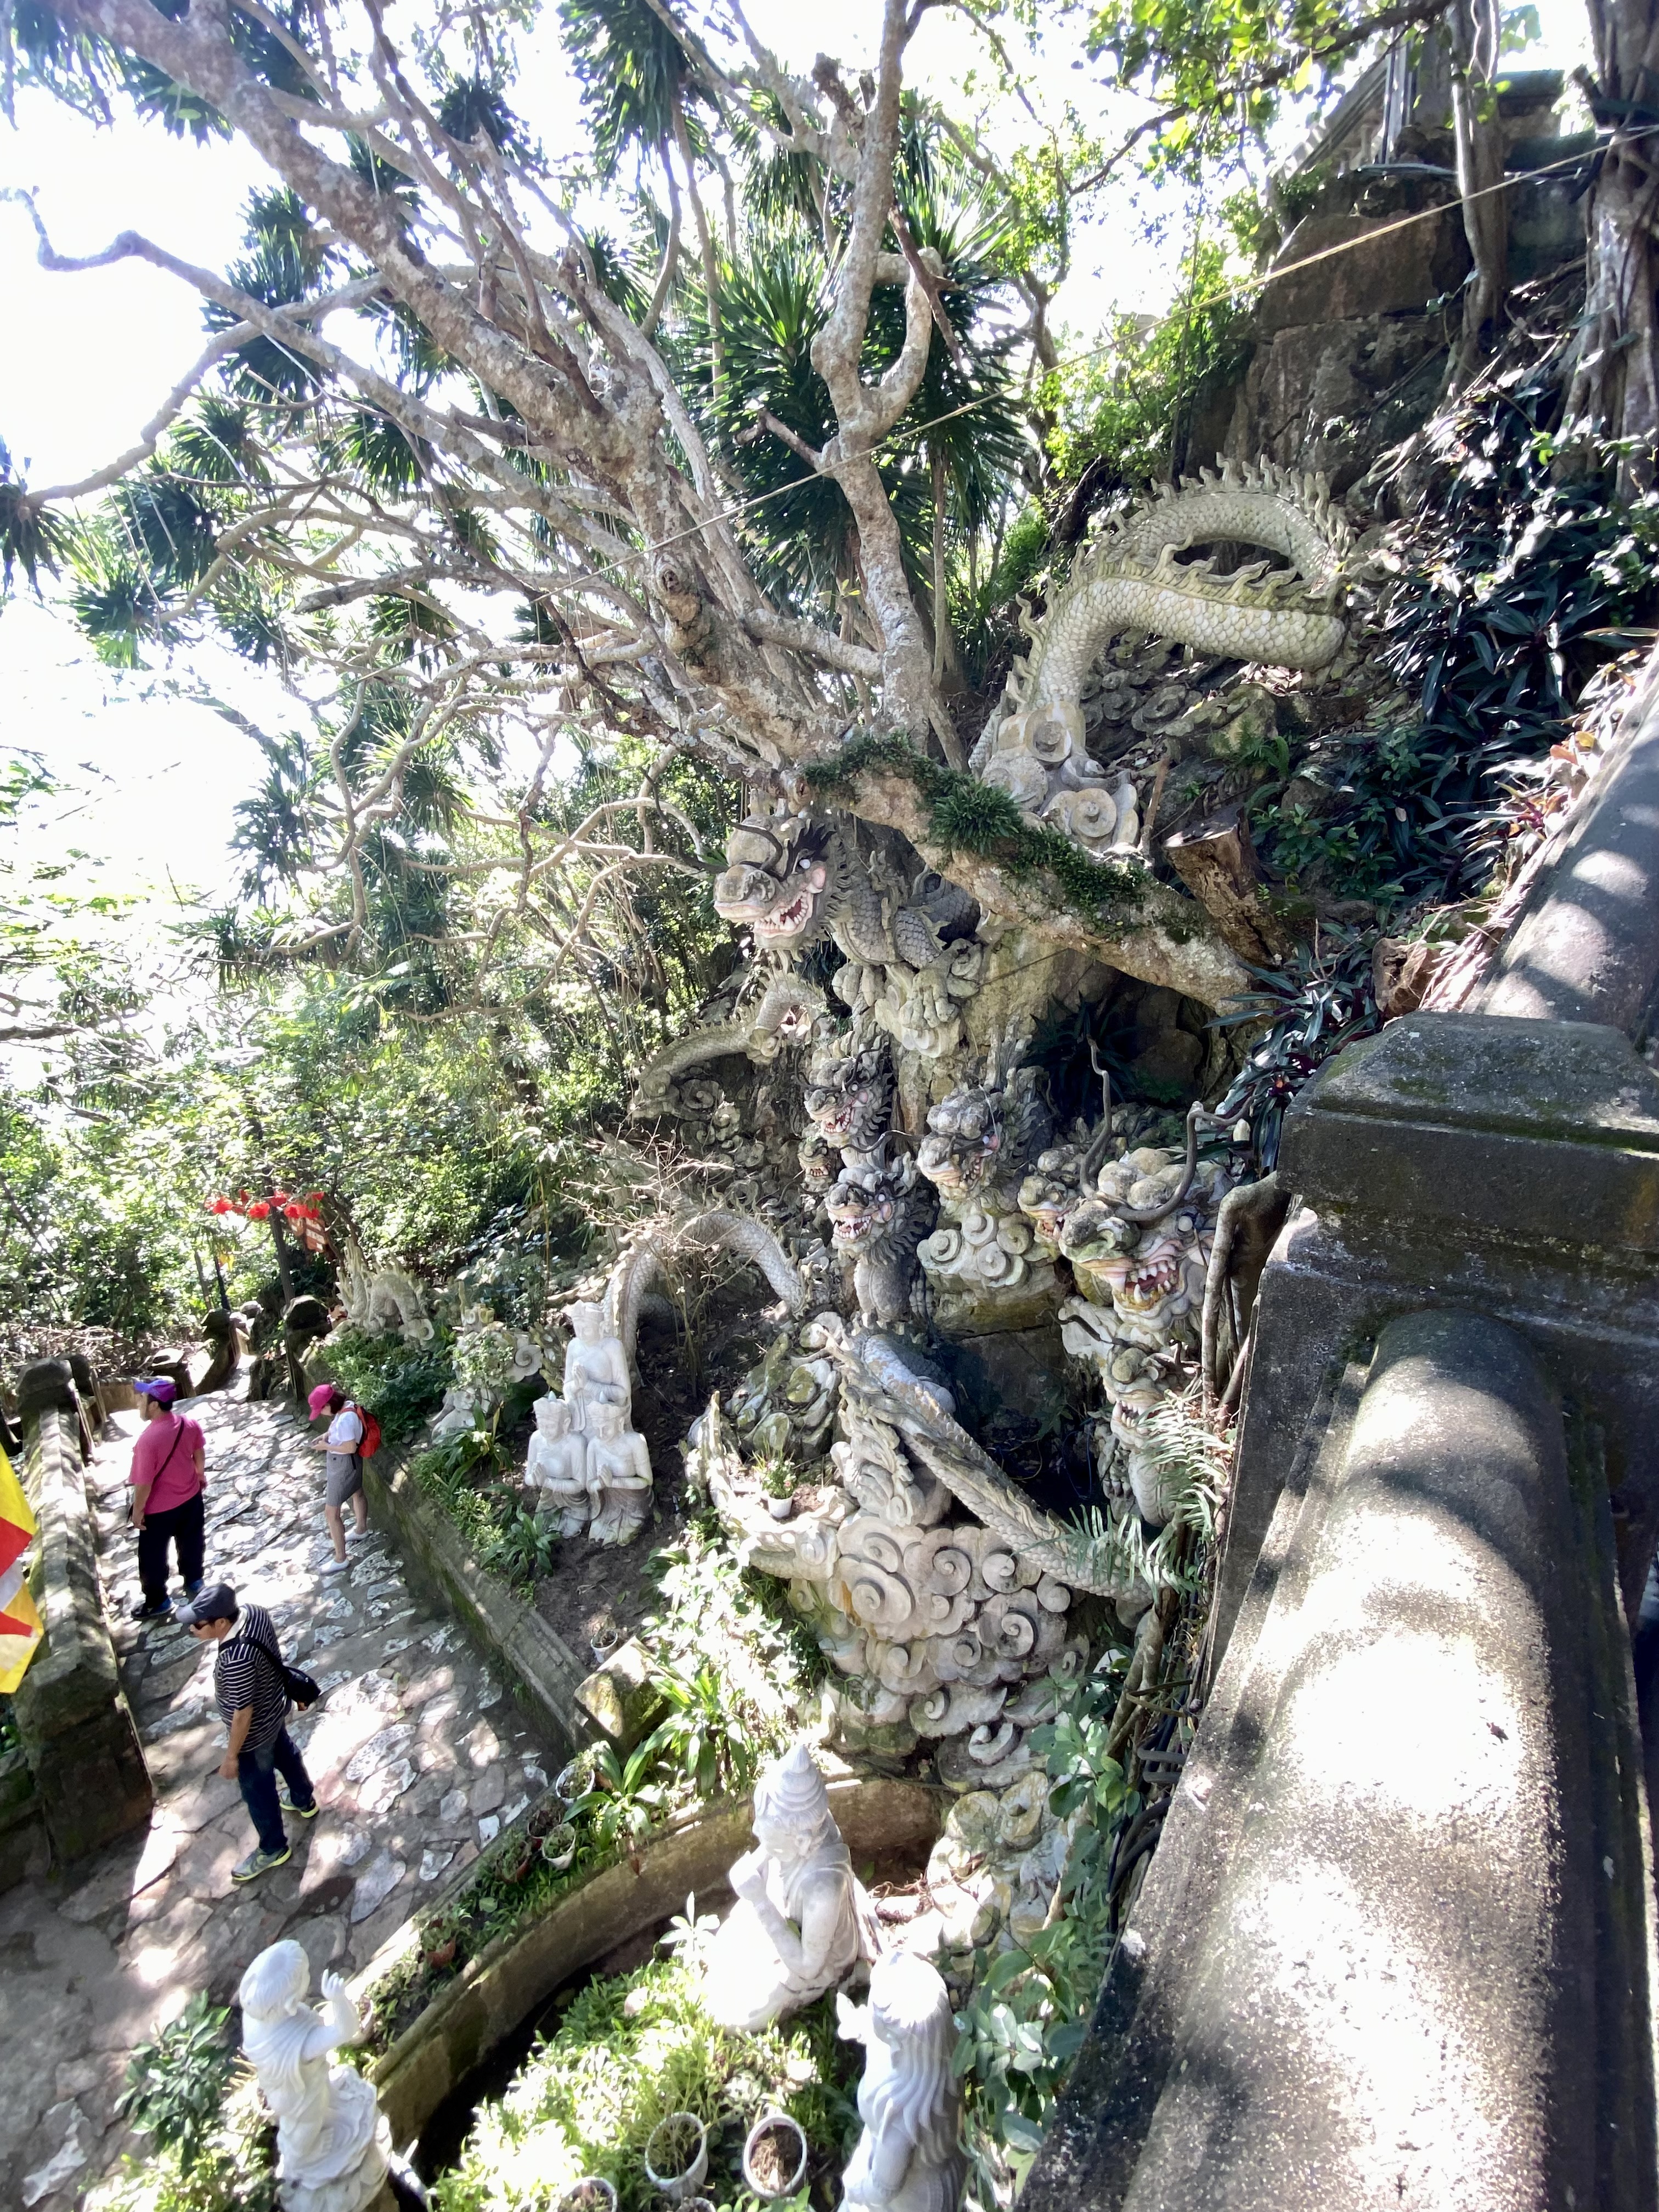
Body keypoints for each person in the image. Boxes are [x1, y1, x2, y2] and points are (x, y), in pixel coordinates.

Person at [178, 1582, 318, 1880]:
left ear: (221, 1623)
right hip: (274, 1711)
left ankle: (273, 1848)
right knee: (287, 1753)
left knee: (258, 1790)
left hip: (253, 1736)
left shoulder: (236, 1657)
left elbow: (243, 1714)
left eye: (197, 1625)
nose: (192, 1630)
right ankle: (303, 1798)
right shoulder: (255, 1613)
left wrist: (231, 1756)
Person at [127, 1377, 207, 1622]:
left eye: (142, 1398)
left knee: (153, 1557)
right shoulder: (188, 1424)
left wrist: (138, 1511)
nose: (139, 1402)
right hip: (191, 1498)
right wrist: (199, 1475)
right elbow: (199, 1453)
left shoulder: (148, 1441)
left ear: (154, 1405)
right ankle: (194, 1580)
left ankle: (158, 1601)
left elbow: (144, 1483)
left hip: (159, 1510)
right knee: (192, 1540)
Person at [307, 1384, 368, 1574]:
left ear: (328, 1405)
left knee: (331, 1513)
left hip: (343, 1465)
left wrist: (326, 1447)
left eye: (321, 1410)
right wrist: (327, 1436)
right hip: (352, 1463)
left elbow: (350, 1448)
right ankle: (361, 1528)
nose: (322, 1414)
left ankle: (340, 1559)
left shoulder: (345, 1420)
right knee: (357, 1492)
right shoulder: (347, 1407)